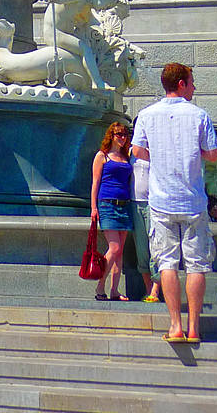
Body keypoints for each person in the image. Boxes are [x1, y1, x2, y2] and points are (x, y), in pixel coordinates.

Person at [132, 62, 217, 343]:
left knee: (167, 263)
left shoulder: (146, 114)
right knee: (196, 265)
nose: (194, 87)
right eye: (192, 82)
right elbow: (214, 154)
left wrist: (159, 158)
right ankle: (194, 327)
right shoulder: (199, 115)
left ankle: (175, 326)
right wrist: (196, 157)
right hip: (193, 200)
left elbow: (137, 150)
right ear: (180, 84)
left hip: (161, 200)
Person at [90, 122, 134, 301]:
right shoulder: (102, 156)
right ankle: (100, 287)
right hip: (107, 204)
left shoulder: (126, 156)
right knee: (114, 248)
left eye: (124, 134)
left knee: (120, 251)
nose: (122, 137)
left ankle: (114, 290)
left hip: (124, 205)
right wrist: (93, 207)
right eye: (118, 134)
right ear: (111, 135)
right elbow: (95, 182)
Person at [132, 150, 161, 303]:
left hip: (153, 204)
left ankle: (155, 290)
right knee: (142, 250)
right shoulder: (130, 152)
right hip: (134, 203)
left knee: (155, 246)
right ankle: (148, 288)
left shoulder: (156, 148)